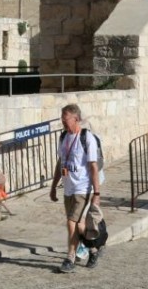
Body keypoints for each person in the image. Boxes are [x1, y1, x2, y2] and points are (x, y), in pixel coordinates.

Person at [49, 103, 102, 273]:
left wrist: (97, 193)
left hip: (83, 188)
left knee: (71, 222)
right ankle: (93, 250)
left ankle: (70, 258)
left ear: (76, 118)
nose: (63, 120)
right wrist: (53, 186)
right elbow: (60, 163)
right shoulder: (63, 137)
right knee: (79, 226)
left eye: (66, 118)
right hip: (68, 188)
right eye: (62, 117)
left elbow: (93, 166)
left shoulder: (87, 138)